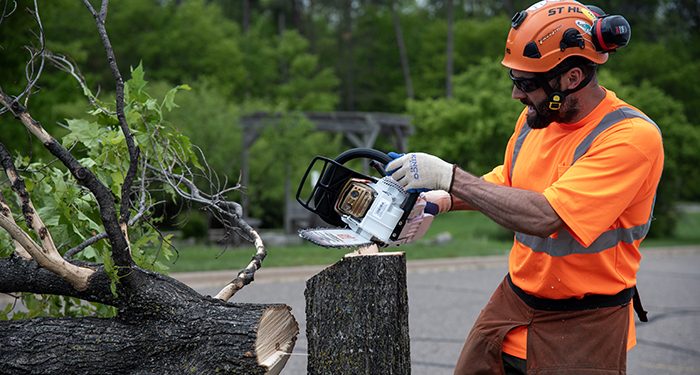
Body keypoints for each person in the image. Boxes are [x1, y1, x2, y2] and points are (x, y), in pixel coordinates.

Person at [386, 1, 664, 374]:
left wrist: (451, 176)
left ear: (572, 78)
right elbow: (509, 180)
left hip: (586, 321)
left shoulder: (629, 138)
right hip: (513, 304)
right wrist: (445, 199)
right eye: (515, 80)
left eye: (526, 84)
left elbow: (546, 215)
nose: (517, 95)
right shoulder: (537, 117)